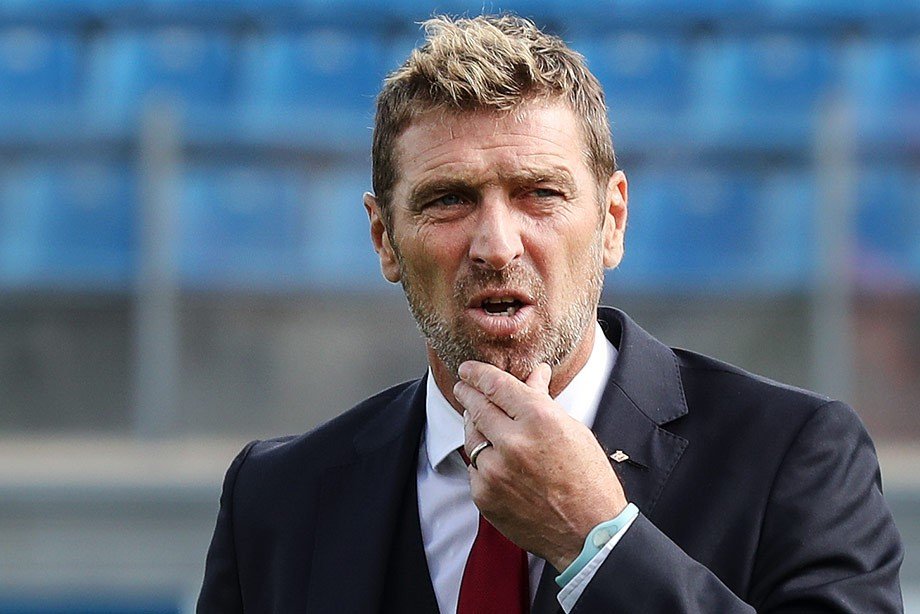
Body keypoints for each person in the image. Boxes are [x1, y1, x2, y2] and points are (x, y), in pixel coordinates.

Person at [197, 14, 903, 613]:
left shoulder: (795, 456)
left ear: (612, 221)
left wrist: (597, 542)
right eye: (449, 199)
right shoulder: (276, 500)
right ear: (384, 238)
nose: (496, 245)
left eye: (539, 193)